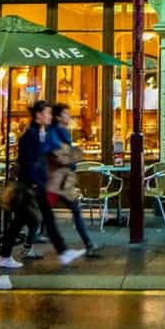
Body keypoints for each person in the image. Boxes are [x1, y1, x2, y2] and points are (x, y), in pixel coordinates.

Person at [0, 101, 84, 268]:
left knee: (35, 220)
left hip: (35, 184)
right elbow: (29, 162)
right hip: (30, 185)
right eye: (48, 113)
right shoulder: (30, 135)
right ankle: (4, 256)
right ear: (39, 115)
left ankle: (63, 252)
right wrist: (36, 183)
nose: (50, 116)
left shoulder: (39, 133)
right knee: (25, 221)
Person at [46, 103, 99, 257]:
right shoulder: (56, 133)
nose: (69, 117)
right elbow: (60, 155)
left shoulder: (60, 132)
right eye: (66, 114)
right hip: (57, 180)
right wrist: (73, 158)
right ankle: (87, 243)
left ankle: (88, 243)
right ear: (58, 117)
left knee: (49, 212)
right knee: (47, 212)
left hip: (60, 180)